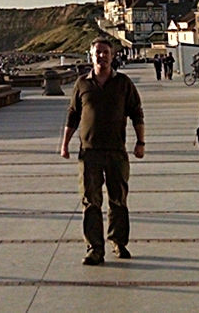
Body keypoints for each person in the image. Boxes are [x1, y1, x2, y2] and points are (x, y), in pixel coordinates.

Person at [59, 37, 146, 265]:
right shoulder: (82, 84)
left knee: (118, 200)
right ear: (91, 55)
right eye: (98, 52)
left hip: (117, 151)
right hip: (89, 152)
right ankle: (94, 248)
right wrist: (65, 144)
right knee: (91, 201)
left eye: (106, 52)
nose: (102, 56)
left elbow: (137, 113)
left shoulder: (124, 83)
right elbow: (73, 115)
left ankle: (118, 242)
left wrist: (140, 142)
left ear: (112, 54)